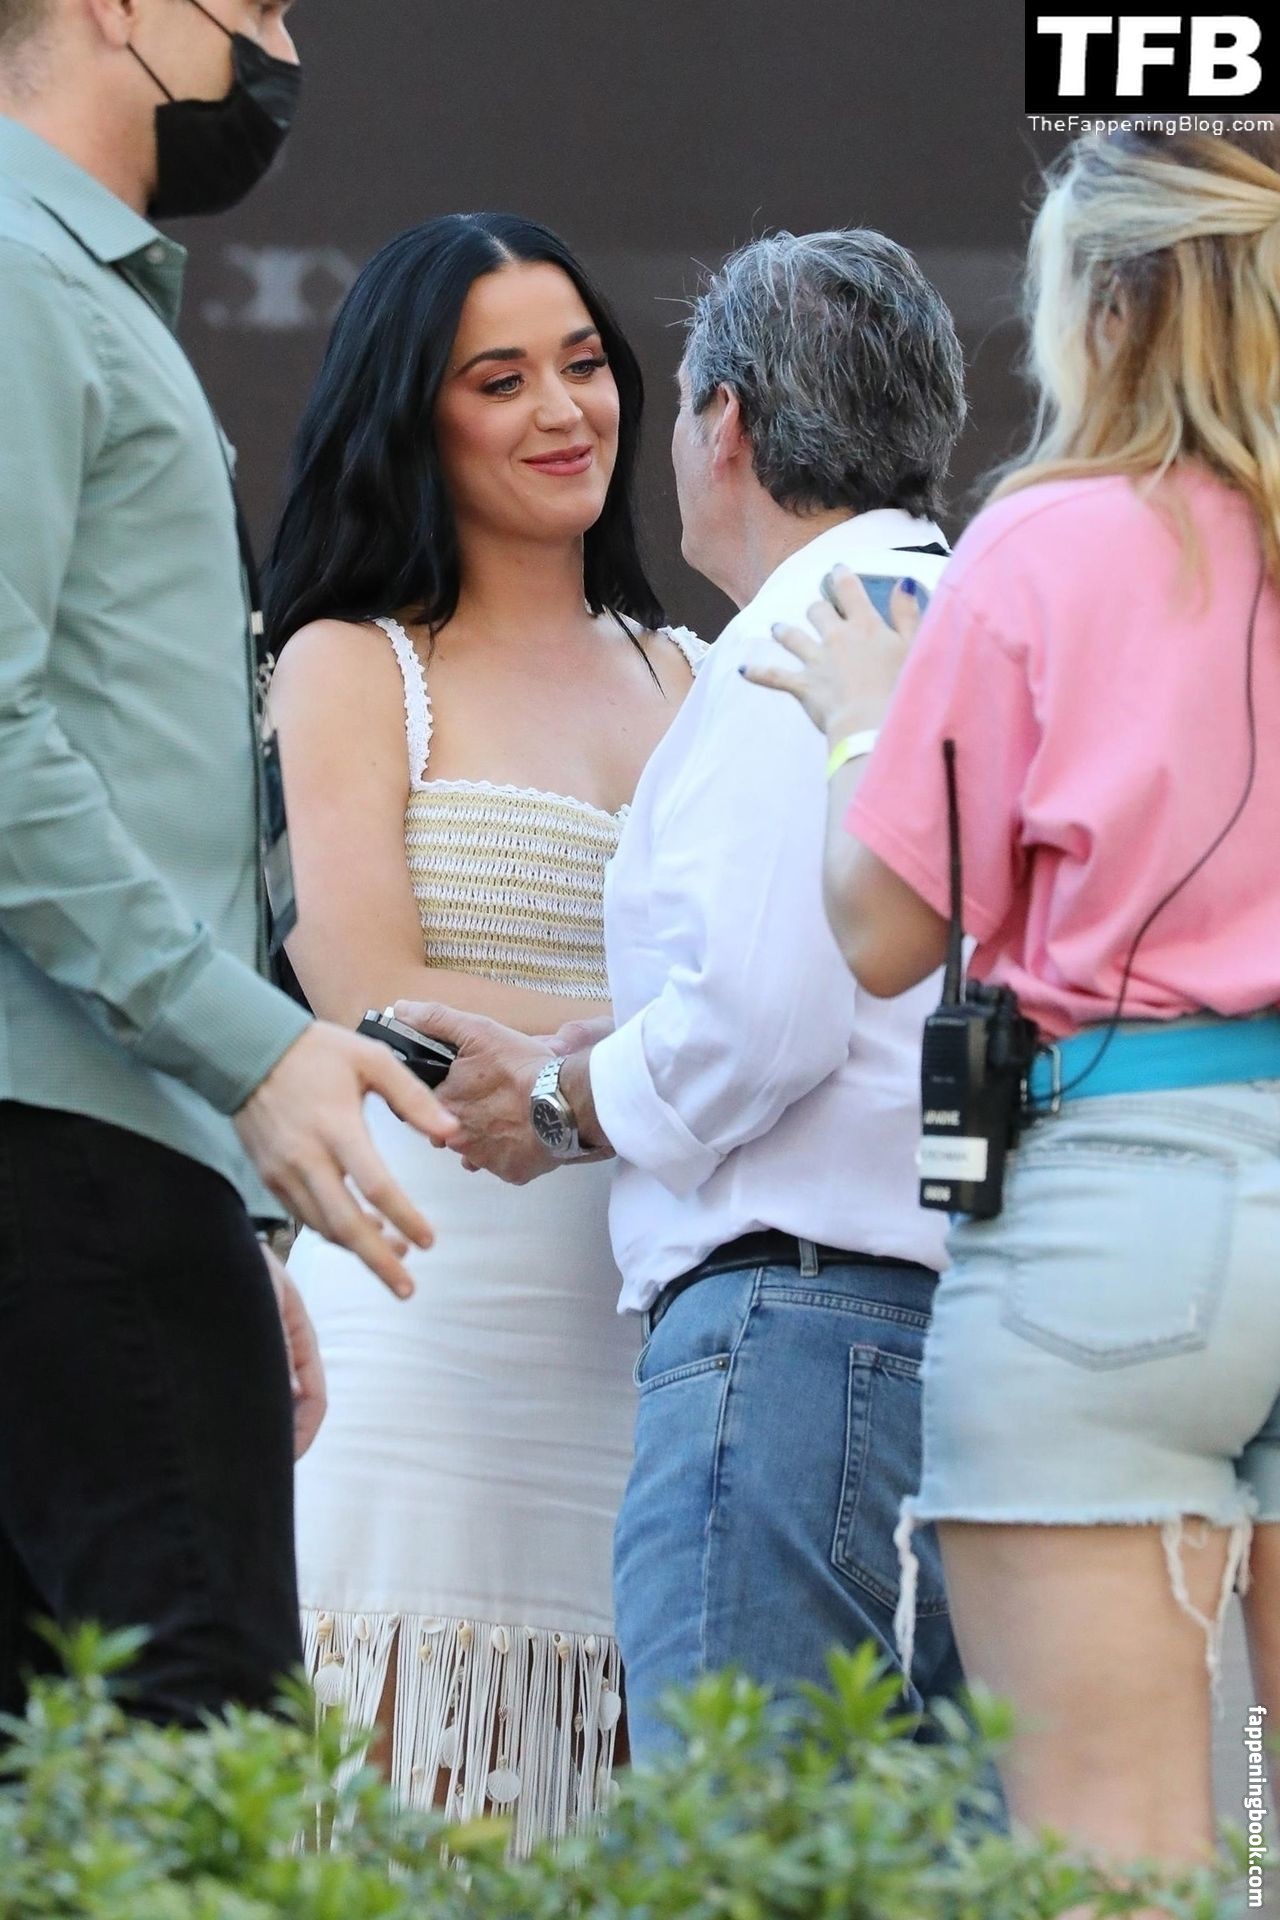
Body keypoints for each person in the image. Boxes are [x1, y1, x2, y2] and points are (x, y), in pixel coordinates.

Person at [746, 127, 1280, 1888]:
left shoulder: (1042, 545)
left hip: (1113, 1211)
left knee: (1107, 1872)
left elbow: (884, 930)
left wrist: (864, 718)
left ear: (1102, 303)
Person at [394, 229, 971, 1761]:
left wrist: (557, 1100)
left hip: (795, 1339)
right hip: (971, 1332)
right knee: (943, 1849)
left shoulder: (801, 639)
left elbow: (773, 1013)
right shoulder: (977, 619)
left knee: (739, 1838)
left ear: (726, 422)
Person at [0, 0, 457, 1728]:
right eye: (252, 6)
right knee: (202, 1753)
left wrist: (228, 1199)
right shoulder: (25, 282)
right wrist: (249, 1052)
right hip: (72, 1154)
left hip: (113, 1149)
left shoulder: (70, 290)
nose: (282, 51)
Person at [264, 211, 704, 1845]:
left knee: (623, 1823)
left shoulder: (711, 677)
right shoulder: (348, 663)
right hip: (422, 1311)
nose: (563, 411)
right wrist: (677, 1039)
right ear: (415, 416)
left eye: (583, 364)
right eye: (500, 380)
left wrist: (648, 1054)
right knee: (390, 1822)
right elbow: (367, 985)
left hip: (655, 1332)